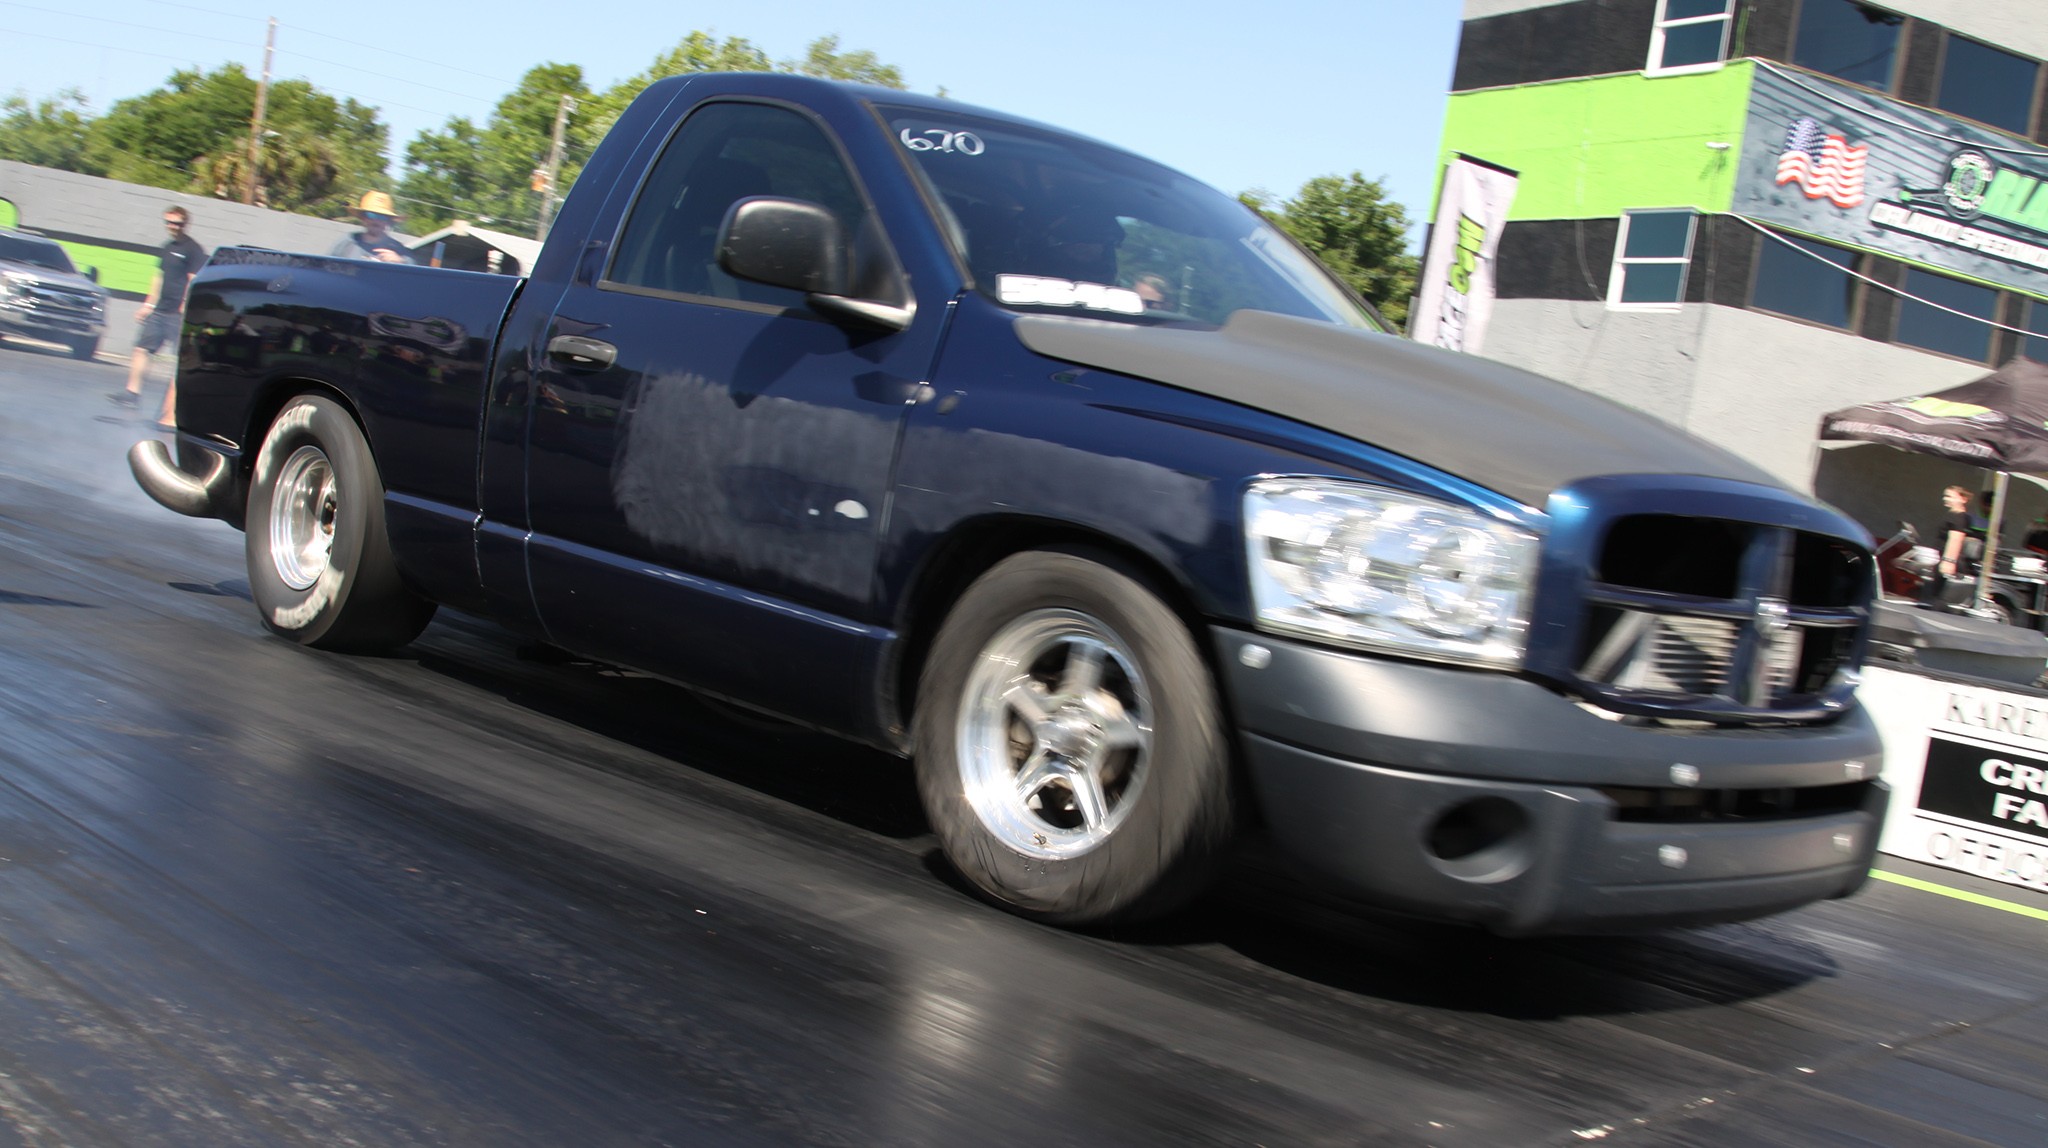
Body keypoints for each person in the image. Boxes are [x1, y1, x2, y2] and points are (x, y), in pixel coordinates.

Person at [110, 204, 208, 428]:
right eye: (169, 222)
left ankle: (171, 414)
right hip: (160, 310)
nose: (172, 227)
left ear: (185, 225)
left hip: (177, 314)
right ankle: (132, 393)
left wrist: (185, 304)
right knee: (141, 349)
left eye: (177, 223)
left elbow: (193, 279)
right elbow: (158, 277)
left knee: (179, 362)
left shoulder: (193, 250)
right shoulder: (166, 247)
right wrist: (148, 304)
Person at [1920, 485, 1986, 607]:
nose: (1945, 499)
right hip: (1942, 557)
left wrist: (1948, 561)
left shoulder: (1959, 517)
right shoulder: (1952, 515)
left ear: (1963, 499)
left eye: (1949, 496)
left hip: (1948, 560)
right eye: (1945, 496)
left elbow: (1955, 539)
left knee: (1940, 599)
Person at [330, 191, 416, 264]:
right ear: (363, 217)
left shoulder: (399, 250)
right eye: (371, 215)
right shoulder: (347, 242)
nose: (376, 220)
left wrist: (400, 262)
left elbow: (414, 277)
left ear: (388, 221)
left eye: (382, 217)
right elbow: (325, 270)